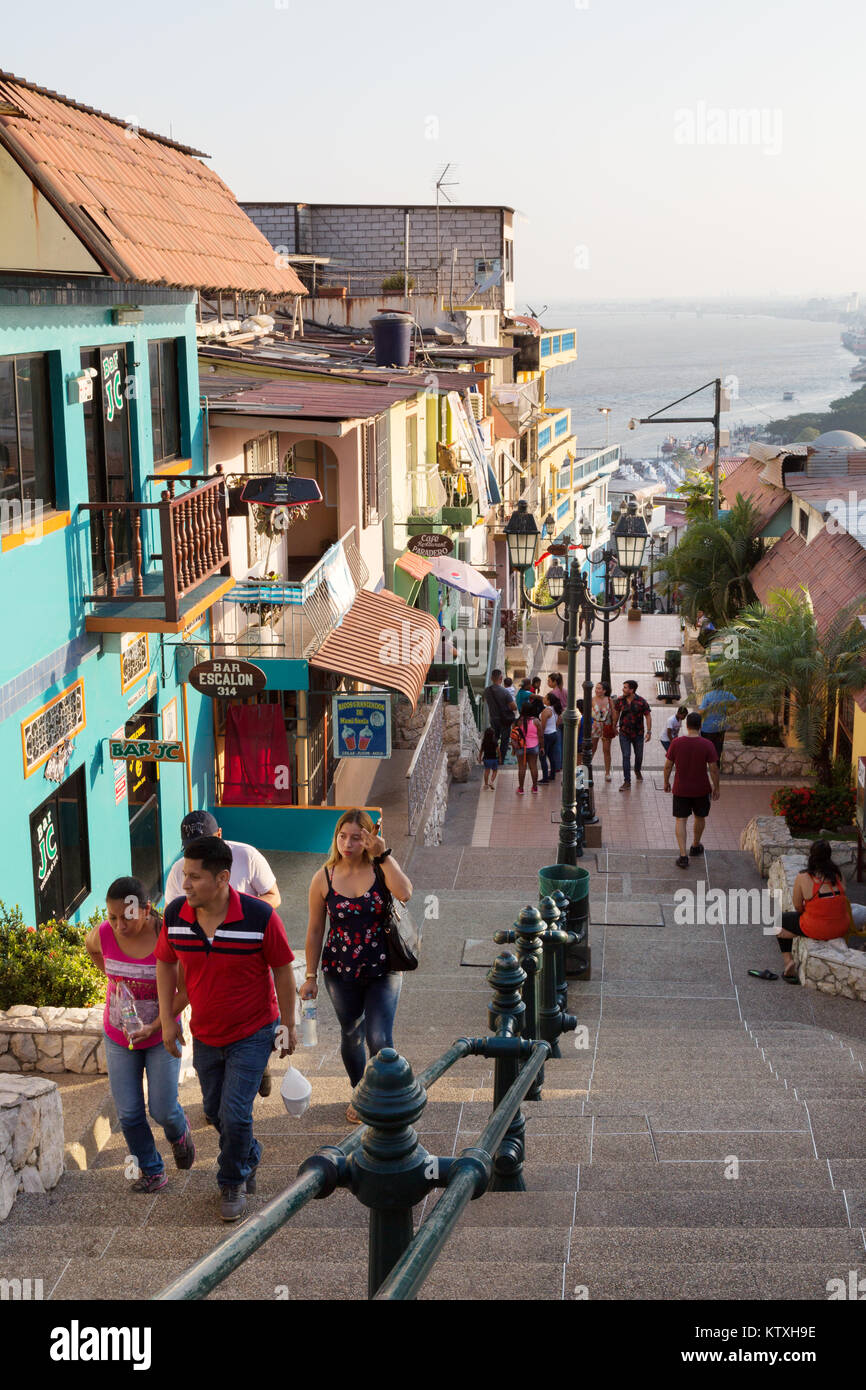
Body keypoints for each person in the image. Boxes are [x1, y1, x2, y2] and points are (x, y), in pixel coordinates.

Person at [156, 837, 298, 1222]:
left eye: (194, 877)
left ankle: (232, 1180)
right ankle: (249, 1152)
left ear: (222, 878)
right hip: (206, 1033)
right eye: (185, 875)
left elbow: (283, 970)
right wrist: (168, 1021)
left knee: (235, 1114)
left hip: (253, 1031)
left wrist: (287, 1024)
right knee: (214, 1112)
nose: (185, 884)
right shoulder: (174, 917)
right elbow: (165, 963)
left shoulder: (259, 917)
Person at [300, 811, 412, 1123]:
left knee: (378, 1036)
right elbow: (313, 930)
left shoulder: (380, 867)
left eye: (357, 837)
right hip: (340, 971)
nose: (348, 843)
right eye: (342, 836)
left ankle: (384, 1095)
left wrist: (384, 855)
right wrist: (310, 976)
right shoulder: (324, 877)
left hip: (383, 967)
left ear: (368, 839)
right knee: (351, 1034)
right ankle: (361, 1090)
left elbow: (405, 893)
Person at [85, 878, 194, 1194]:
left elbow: (185, 991)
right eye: (112, 917)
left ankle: (179, 1133)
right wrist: (112, 975)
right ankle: (152, 1170)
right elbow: (92, 947)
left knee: (162, 1109)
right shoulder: (105, 933)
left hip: (161, 1036)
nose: (119, 925)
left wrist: (160, 1023)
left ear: (146, 910)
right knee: (129, 1113)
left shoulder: (168, 937)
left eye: (127, 916)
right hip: (119, 1037)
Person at [165, 810, 282, 1099]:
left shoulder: (247, 856)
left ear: (219, 836)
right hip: (204, 958)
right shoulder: (181, 871)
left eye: (204, 843)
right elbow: (173, 923)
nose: (197, 853)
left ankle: (256, 1058)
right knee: (216, 1106)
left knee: (252, 1019)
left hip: (247, 951)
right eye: (191, 847)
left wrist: (236, 911)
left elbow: (274, 896)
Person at [775, 841, 853, 982]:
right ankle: (793, 935)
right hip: (841, 927)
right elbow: (843, 894)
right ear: (829, 856)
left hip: (817, 928)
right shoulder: (838, 874)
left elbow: (798, 906)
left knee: (779, 920)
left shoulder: (803, 877)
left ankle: (788, 962)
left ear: (811, 856)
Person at [663, 711, 720, 868]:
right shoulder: (707, 745)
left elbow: (668, 765)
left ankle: (683, 856)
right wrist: (716, 787)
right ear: (700, 726)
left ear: (686, 725)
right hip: (702, 789)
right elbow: (714, 769)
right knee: (700, 817)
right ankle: (695, 846)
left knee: (681, 819)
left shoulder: (676, 743)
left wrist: (666, 782)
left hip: (681, 789)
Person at [614, 680, 652, 790]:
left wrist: (649, 732)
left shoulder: (641, 702)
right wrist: (614, 726)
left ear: (632, 690)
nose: (623, 689)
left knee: (639, 755)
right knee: (626, 756)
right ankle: (627, 781)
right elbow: (616, 712)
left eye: (625, 687)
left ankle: (637, 770)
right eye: (623, 687)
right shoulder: (620, 700)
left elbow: (648, 716)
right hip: (624, 733)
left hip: (638, 734)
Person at [484, 668, 517, 765]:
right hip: (504, 720)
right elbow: (514, 707)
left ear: (491, 678)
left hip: (493, 718)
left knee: (494, 738)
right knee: (505, 739)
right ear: (501, 678)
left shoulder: (487, 691)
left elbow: (484, 700)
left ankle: (491, 757)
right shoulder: (505, 692)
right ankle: (501, 759)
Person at [513, 696, 543, 795]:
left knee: (522, 767)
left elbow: (513, 736)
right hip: (534, 747)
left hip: (521, 747)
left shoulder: (517, 722)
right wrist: (542, 747)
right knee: (533, 766)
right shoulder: (536, 721)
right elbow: (540, 736)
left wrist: (514, 748)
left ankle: (521, 789)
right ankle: (534, 788)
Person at [698, 688, 736, 762]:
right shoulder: (728, 694)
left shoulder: (708, 695)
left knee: (706, 749)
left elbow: (701, 711)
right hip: (720, 728)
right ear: (722, 685)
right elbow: (738, 703)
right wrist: (730, 712)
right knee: (718, 749)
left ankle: (706, 766)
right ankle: (716, 767)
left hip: (707, 728)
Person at [591, 681, 616, 782]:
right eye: (596, 688)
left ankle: (607, 772)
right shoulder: (592, 700)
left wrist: (614, 726)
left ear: (604, 690)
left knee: (606, 750)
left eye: (599, 688)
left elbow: (614, 714)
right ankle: (585, 769)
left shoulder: (609, 700)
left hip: (606, 726)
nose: (597, 690)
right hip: (594, 726)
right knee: (592, 748)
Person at [539, 692, 561, 784]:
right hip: (554, 733)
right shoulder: (554, 710)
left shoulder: (546, 711)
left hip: (547, 735)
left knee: (542, 756)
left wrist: (540, 738)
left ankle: (545, 778)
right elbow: (558, 722)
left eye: (545, 698)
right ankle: (552, 774)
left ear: (548, 701)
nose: (543, 698)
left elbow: (542, 726)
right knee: (551, 755)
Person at [479, 725, 500, 789]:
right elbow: (498, 751)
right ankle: (491, 781)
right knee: (495, 771)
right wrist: (500, 757)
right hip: (494, 759)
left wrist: (479, 758)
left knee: (487, 771)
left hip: (486, 759)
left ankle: (486, 784)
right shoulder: (495, 742)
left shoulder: (484, 742)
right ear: (493, 735)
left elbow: (481, 751)